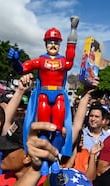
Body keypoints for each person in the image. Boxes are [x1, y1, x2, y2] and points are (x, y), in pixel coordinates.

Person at [8, 16, 79, 175]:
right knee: (44, 129)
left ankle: (54, 158)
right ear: (45, 43)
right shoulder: (40, 61)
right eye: (50, 41)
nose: (53, 44)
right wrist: (15, 62)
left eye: (55, 42)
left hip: (59, 95)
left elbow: (71, 52)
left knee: (60, 130)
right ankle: (45, 161)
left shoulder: (64, 62)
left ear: (59, 44)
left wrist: (73, 29)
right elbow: (22, 69)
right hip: (44, 96)